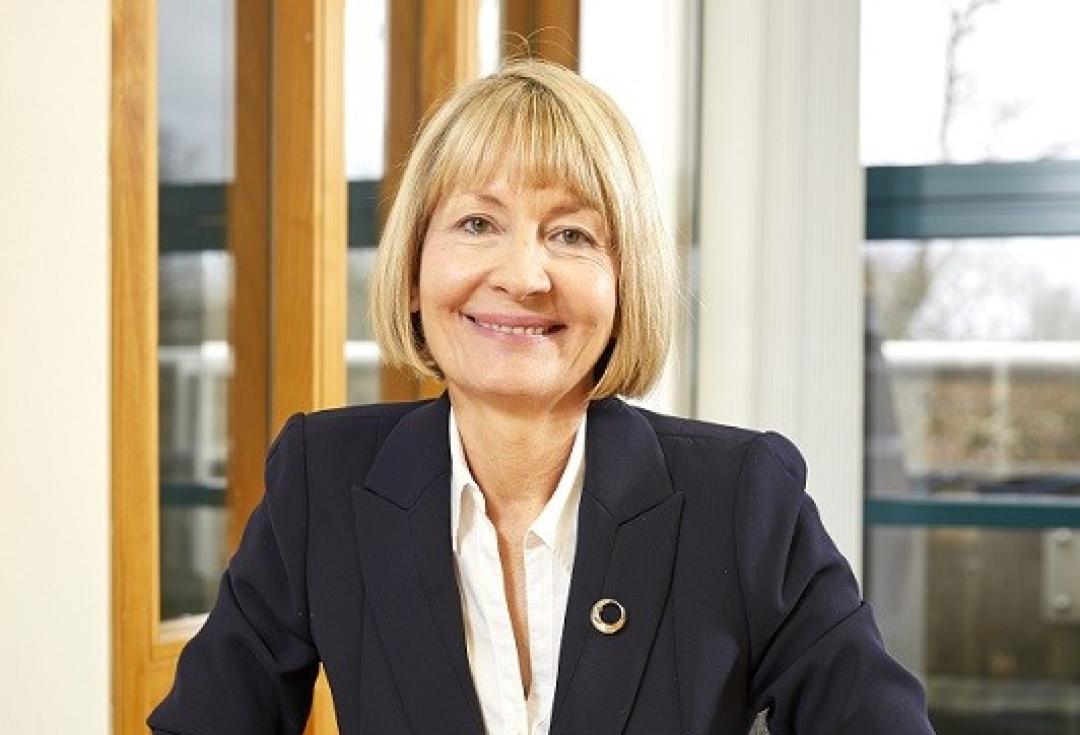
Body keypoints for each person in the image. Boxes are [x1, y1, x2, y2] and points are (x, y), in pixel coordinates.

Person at [149, 60, 934, 735]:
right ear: (416, 271)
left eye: (571, 235)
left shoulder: (744, 498)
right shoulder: (322, 480)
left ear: (625, 284)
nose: (523, 275)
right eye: (477, 221)